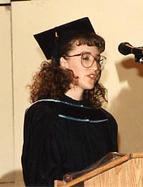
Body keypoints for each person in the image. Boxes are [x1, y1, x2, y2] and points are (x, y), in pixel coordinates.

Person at [21, 17, 118, 186]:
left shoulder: (105, 120)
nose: (95, 67)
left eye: (97, 59)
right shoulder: (45, 113)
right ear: (63, 61)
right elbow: (39, 178)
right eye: (86, 58)